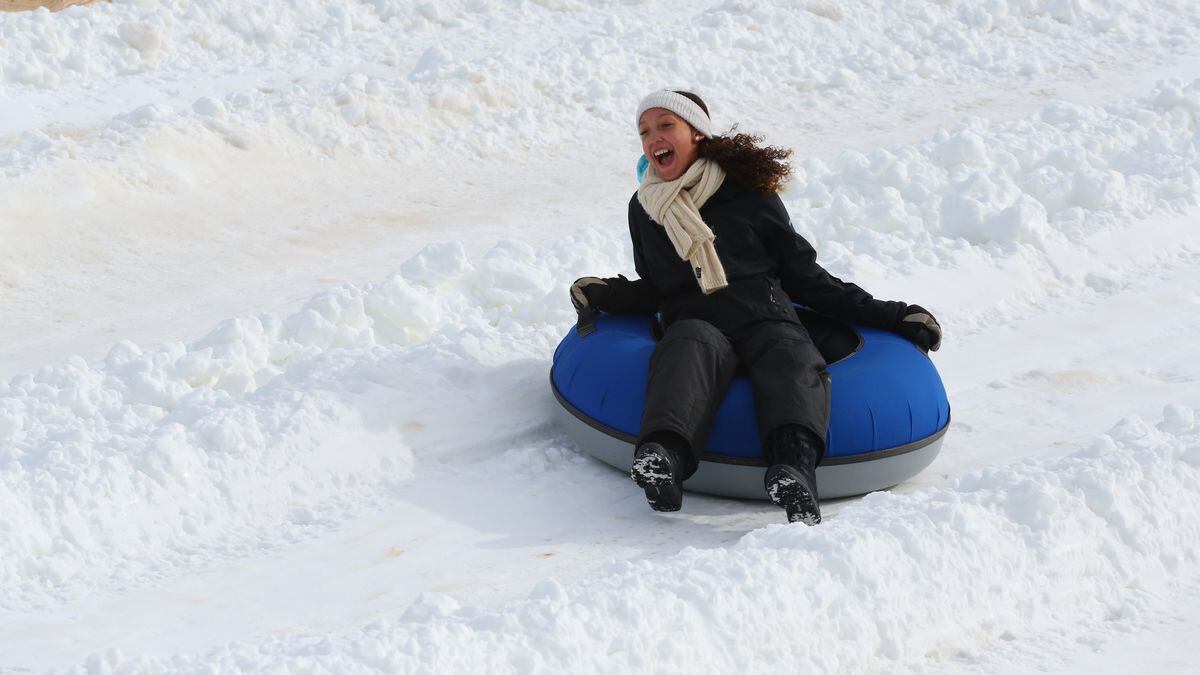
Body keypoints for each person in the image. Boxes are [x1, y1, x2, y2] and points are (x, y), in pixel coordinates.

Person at [570, 90, 941, 524]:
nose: (654, 138)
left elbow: (804, 276)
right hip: (694, 318)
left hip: (762, 312)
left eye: (666, 125)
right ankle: (663, 460)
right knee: (686, 348)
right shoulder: (645, 208)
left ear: (696, 133)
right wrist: (607, 295)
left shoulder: (746, 192)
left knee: (790, 357)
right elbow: (657, 288)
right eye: (644, 131)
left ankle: (792, 469)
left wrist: (892, 315)